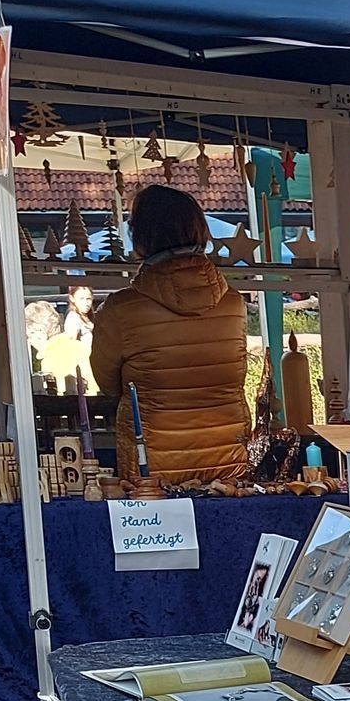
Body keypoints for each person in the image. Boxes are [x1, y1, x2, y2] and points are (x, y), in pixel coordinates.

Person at [88, 185, 249, 486]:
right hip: (228, 463)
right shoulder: (234, 303)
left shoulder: (120, 309)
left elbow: (108, 384)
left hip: (153, 468)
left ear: (141, 235)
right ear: (198, 228)